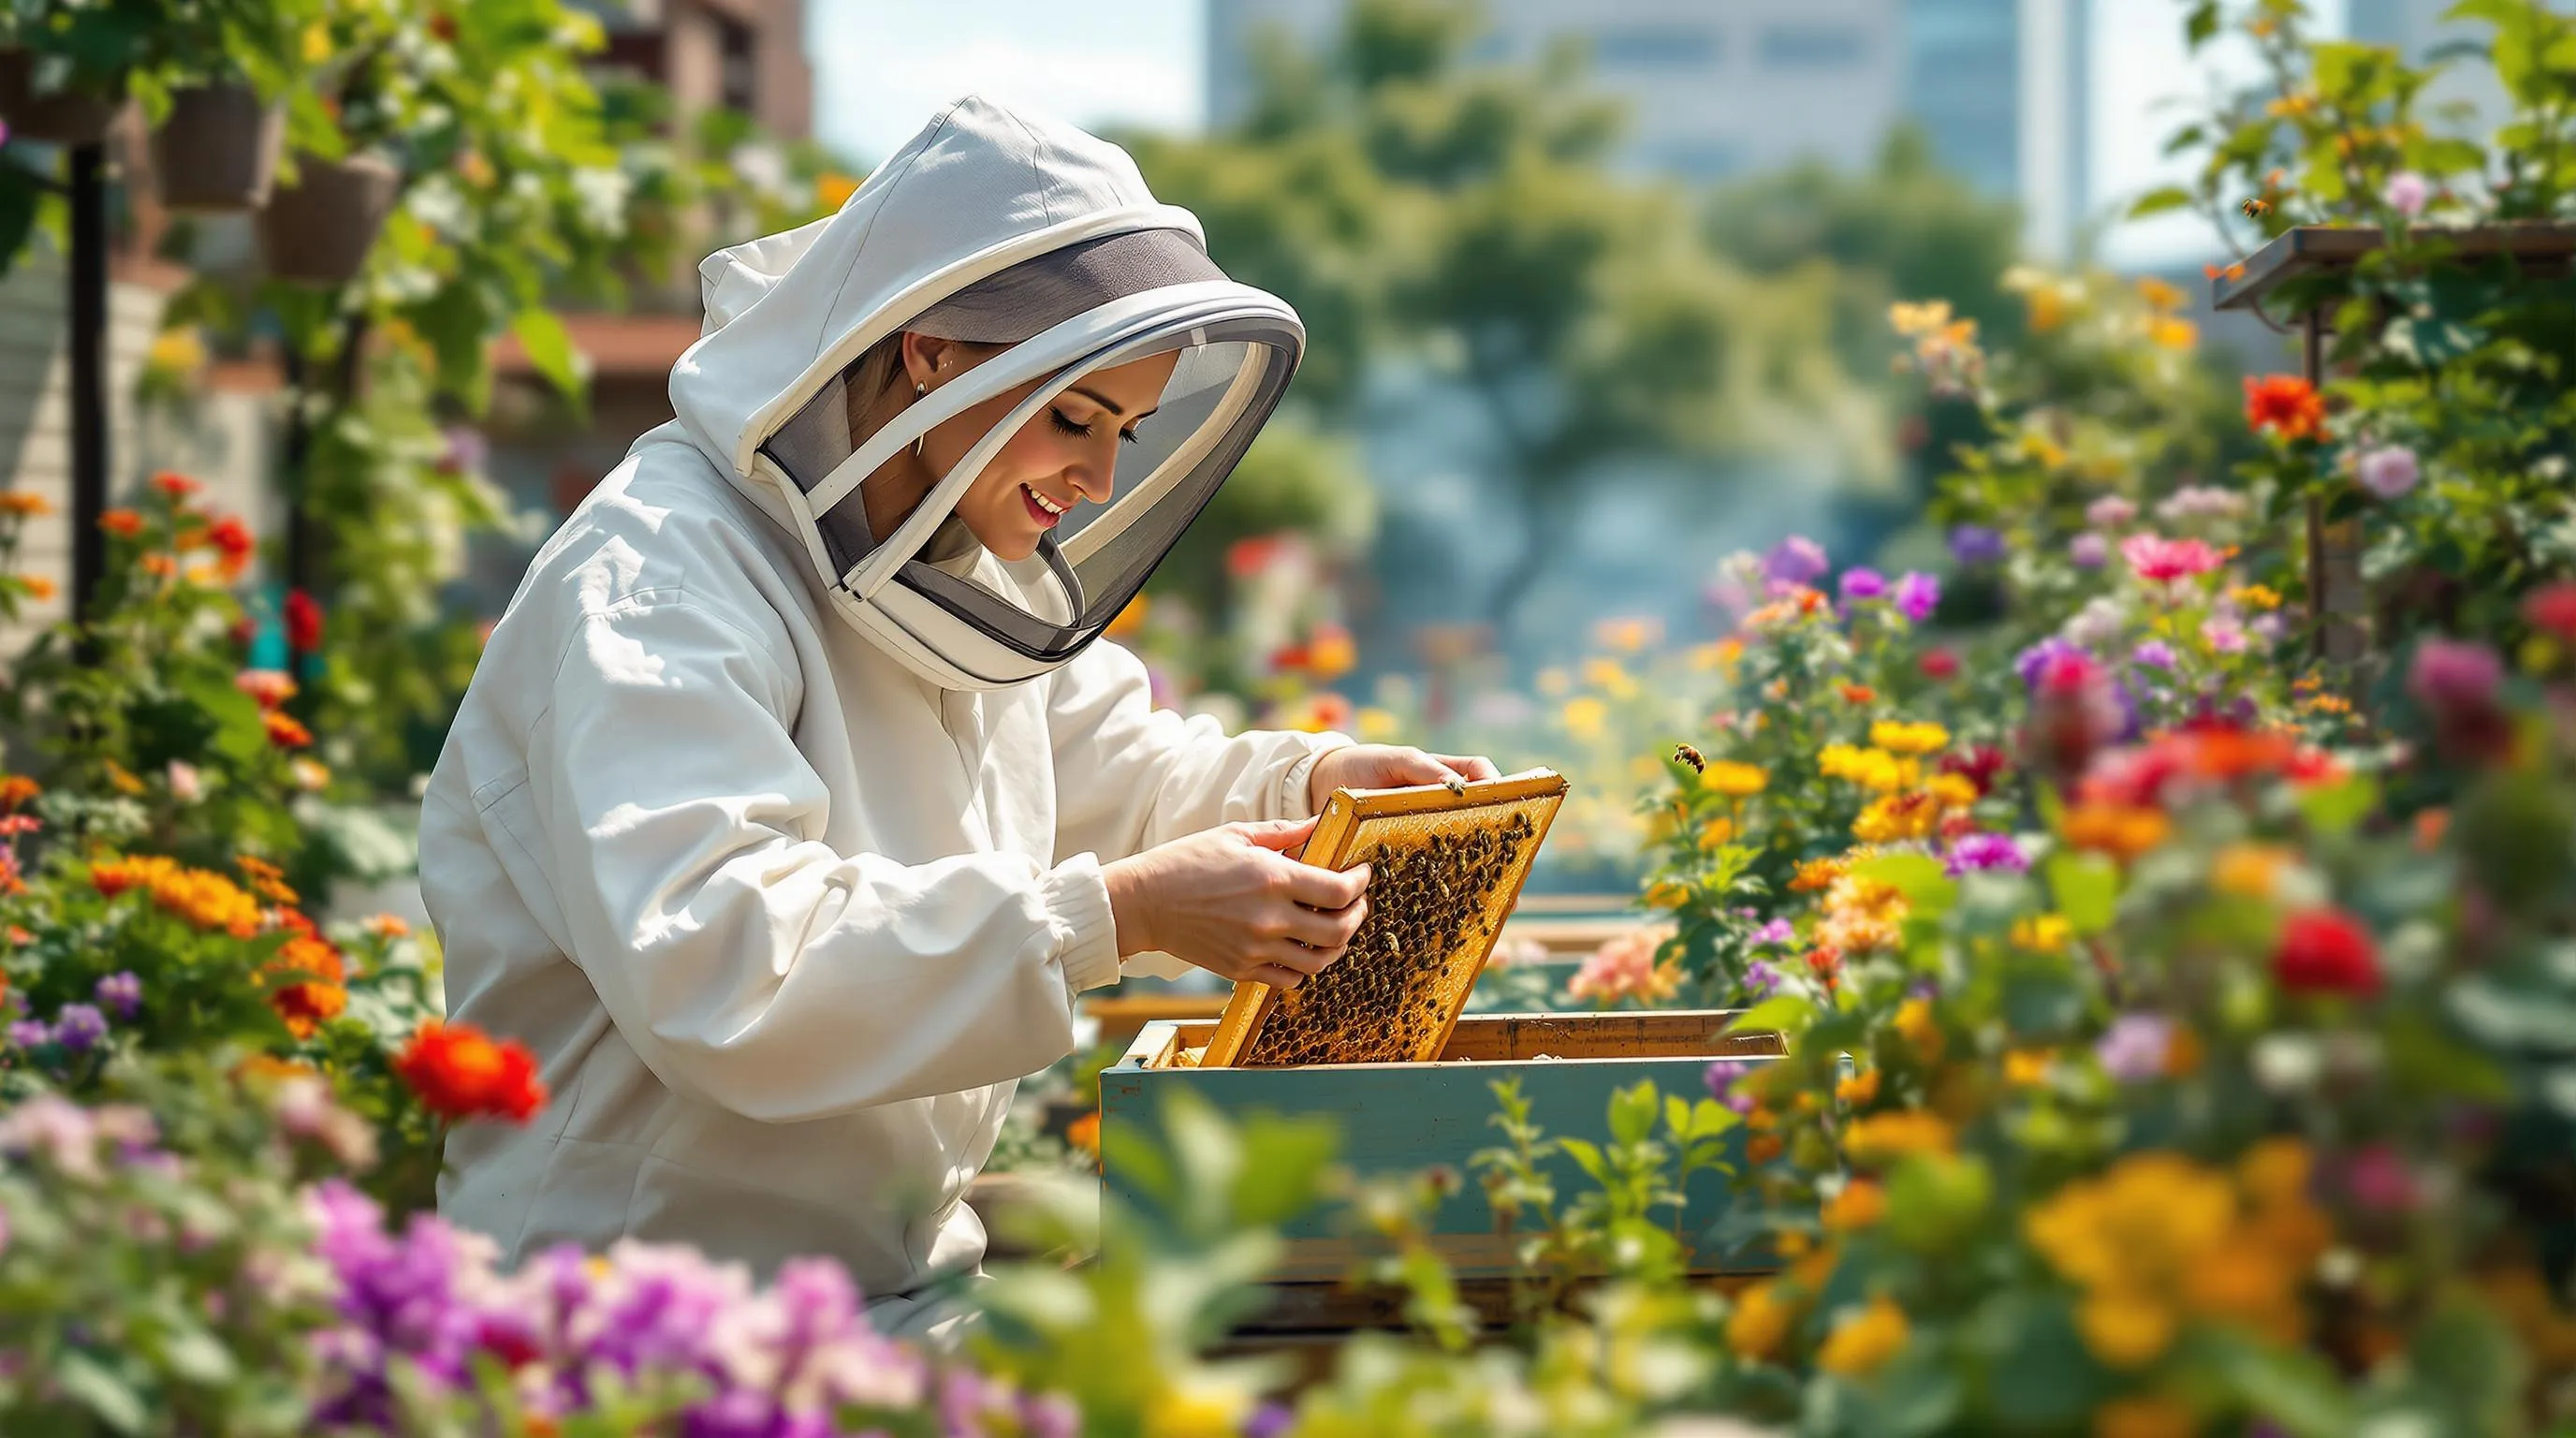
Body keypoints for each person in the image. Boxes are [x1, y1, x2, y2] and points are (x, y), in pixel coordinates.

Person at [417, 95, 1496, 1338]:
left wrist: (1316, 788)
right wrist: (1121, 914)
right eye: (1074, 418)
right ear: (930, 352)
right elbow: (723, 962)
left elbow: (1118, 776)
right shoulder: (661, 581)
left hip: (878, 1289)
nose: (1097, 481)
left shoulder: (950, 570)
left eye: (1126, 432)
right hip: (633, 1328)